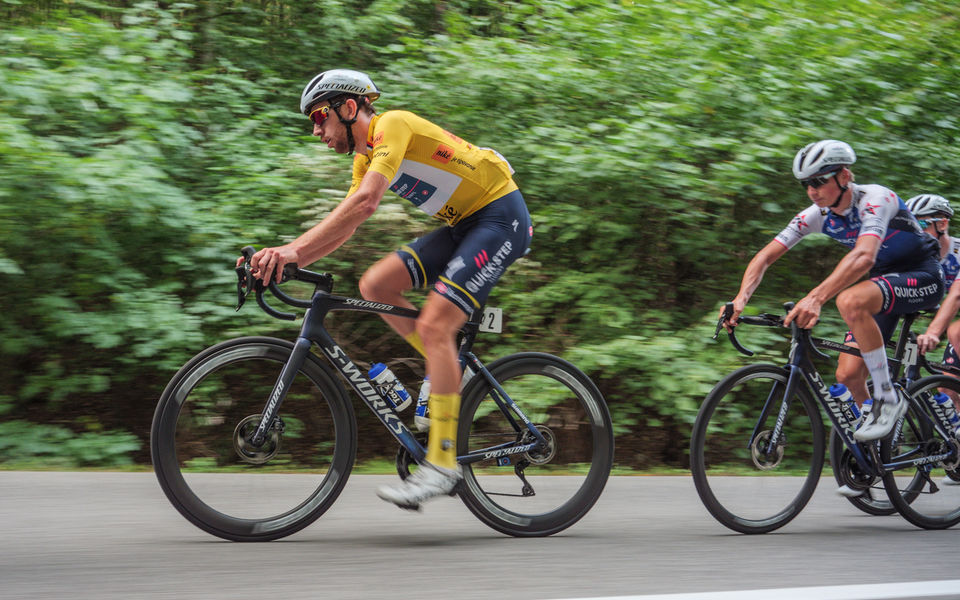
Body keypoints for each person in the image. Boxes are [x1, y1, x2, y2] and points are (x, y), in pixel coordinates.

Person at [243, 69, 532, 510]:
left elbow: (366, 202)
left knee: (435, 326)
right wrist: (292, 259)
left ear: (350, 107)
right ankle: (448, 365)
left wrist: (290, 251)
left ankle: (442, 464)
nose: (316, 130)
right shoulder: (364, 160)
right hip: (465, 224)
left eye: (320, 117)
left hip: (500, 218)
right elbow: (349, 225)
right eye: (312, 123)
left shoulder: (391, 125)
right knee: (376, 284)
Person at [722, 140, 943, 448]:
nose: (812, 190)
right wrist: (740, 300)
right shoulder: (816, 215)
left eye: (819, 180)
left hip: (923, 276)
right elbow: (764, 257)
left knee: (849, 300)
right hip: (882, 286)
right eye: (806, 184)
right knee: (848, 375)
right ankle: (875, 451)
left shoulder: (875, 199)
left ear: (844, 175)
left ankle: (886, 398)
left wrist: (815, 297)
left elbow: (864, 256)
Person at [909, 195, 960, 452]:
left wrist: (932, 331)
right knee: (947, 389)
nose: (916, 231)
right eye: (911, 225)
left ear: (942, 224)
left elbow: (956, 296)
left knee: (956, 331)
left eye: (922, 224)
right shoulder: (916, 259)